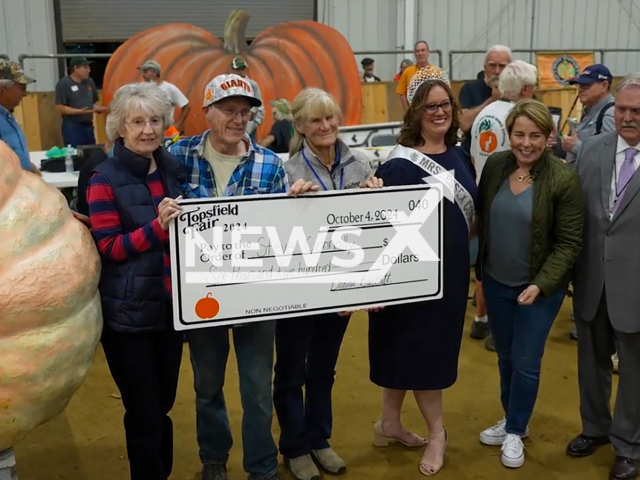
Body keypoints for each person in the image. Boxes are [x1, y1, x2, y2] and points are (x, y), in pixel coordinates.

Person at [169, 73, 313, 480]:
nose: (238, 120)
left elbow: (284, 226)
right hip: (202, 293)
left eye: (245, 113)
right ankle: (213, 460)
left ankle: (262, 467)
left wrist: (297, 204)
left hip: (255, 292)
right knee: (207, 386)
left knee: (256, 390)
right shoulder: (178, 155)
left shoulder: (269, 163)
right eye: (229, 111)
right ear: (207, 112)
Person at [368, 67, 477, 476]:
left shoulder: (461, 154)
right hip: (406, 278)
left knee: (425, 351)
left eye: (444, 104)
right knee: (407, 350)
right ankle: (437, 434)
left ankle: (390, 424)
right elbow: (379, 228)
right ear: (416, 110)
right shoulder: (398, 164)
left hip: (449, 278)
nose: (439, 112)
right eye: (430, 106)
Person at [273, 87, 380, 480]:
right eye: (315, 119)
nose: (325, 125)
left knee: (324, 367)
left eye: (330, 117)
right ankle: (294, 447)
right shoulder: (287, 171)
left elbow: (372, 227)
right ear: (299, 125)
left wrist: (376, 196)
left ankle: (319, 439)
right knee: (290, 371)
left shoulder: (360, 165)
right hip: (299, 290)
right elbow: (275, 231)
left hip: (342, 289)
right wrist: (290, 200)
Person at [475, 99, 583, 469]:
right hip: (496, 281)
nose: (526, 143)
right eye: (519, 134)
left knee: (525, 361)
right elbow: (481, 216)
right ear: (509, 135)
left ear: (548, 137)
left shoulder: (563, 179)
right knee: (505, 356)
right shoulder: (494, 166)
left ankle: (516, 430)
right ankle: (511, 419)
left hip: (537, 289)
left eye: (535, 136)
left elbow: (569, 244)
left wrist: (540, 284)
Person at [86, 82, 185, 480]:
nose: (148, 129)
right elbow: (109, 247)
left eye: (155, 120)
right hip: (128, 317)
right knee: (144, 411)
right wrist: (157, 229)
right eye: (137, 121)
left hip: (170, 309)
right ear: (120, 129)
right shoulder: (102, 178)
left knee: (162, 405)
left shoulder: (173, 170)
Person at [566, 73, 640, 480]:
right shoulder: (592, 151)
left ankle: (628, 445)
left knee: (633, 369)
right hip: (592, 276)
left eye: (636, 112)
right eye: (623, 110)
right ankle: (594, 427)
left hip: (636, 284)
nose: (627, 118)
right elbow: (574, 214)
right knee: (590, 360)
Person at [468, 60, 538, 350]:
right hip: (510, 199)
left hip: (483, 192)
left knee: (487, 261)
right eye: (534, 86)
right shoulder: (520, 119)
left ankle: (480, 319)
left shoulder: (486, 113)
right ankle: (500, 329)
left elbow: (474, 156)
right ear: (524, 88)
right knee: (509, 267)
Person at [459, 45, 512, 154]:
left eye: (502, 66)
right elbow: (464, 124)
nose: (497, 71)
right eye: (492, 65)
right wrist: (493, 99)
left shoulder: (517, 91)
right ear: (484, 67)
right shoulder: (470, 88)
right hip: (473, 155)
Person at [563, 64, 616, 164]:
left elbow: (609, 157)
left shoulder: (610, 114)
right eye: (580, 85)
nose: (581, 89)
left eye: (587, 85)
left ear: (604, 86)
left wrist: (575, 147)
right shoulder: (589, 112)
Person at [54, 56, 108, 146]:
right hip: (72, 126)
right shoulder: (64, 83)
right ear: (75, 68)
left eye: (89, 67)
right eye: (85, 67)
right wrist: (78, 112)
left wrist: (106, 108)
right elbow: (59, 107)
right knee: (76, 154)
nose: (89, 70)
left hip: (88, 125)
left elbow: (93, 105)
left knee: (91, 152)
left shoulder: (90, 82)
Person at [0, 60, 40, 174]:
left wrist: (28, 166)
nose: (25, 93)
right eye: (22, 88)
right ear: (4, 88)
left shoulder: (7, 115)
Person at [139, 59, 191, 132]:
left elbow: (186, 106)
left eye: (145, 72)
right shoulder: (142, 89)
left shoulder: (169, 88)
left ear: (154, 72)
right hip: (147, 129)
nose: (143, 75)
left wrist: (178, 125)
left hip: (165, 131)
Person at [230, 57, 265, 140]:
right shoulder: (227, 85)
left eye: (242, 68)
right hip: (231, 128)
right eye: (238, 69)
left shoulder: (253, 85)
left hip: (250, 129)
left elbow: (259, 105)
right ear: (233, 69)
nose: (240, 71)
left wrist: (255, 122)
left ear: (246, 68)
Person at [396, 41, 431, 111]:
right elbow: (402, 94)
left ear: (428, 52)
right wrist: (408, 113)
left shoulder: (437, 72)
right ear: (414, 54)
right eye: (417, 51)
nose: (420, 53)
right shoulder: (407, 72)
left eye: (423, 50)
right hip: (415, 112)